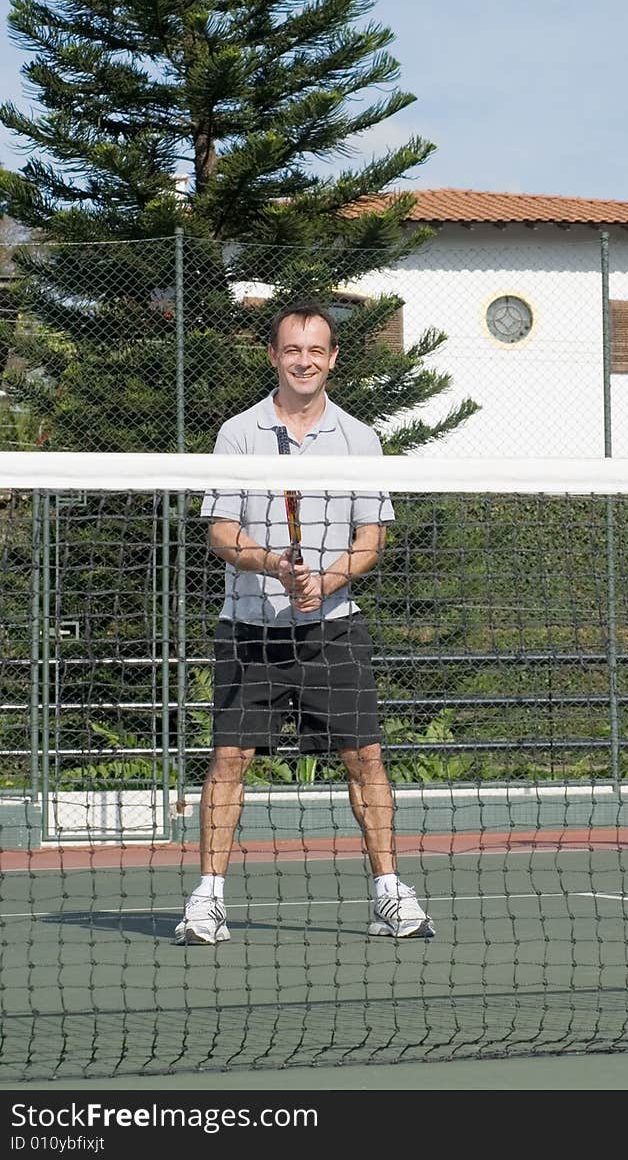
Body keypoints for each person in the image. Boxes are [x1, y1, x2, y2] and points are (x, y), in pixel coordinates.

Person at [174, 301, 434, 944]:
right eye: (293, 349)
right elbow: (221, 531)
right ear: (274, 356)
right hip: (251, 628)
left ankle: (388, 893)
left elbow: (371, 538)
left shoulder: (360, 439)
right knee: (229, 759)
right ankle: (207, 900)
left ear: (333, 358)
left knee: (366, 758)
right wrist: (272, 565)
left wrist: (327, 579)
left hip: (334, 630)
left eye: (316, 350)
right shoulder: (238, 433)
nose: (305, 361)